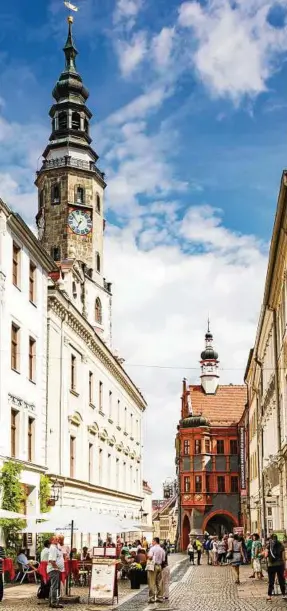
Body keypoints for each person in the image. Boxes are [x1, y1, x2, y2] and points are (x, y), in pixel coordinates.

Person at [266, 534, 287, 601]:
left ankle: (269, 596)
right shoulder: (281, 546)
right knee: (281, 580)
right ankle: (284, 594)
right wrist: (285, 567)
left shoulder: (268, 546)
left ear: (271, 538)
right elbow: (284, 558)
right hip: (280, 565)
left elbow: (266, 555)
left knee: (271, 581)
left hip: (271, 566)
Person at [47, 536, 64, 609]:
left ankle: (51, 602)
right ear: (51, 541)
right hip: (54, 570)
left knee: (53, 586)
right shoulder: (53, 548)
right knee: (54, 586)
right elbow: (51, 560)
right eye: (55, 539)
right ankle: (53, 603)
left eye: (58, 539)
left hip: (55, 569)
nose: (57, 540)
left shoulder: (56, 547)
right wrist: (56, 568)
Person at [147, 537, 165, 604]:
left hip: (153, 566)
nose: (152, 542)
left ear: (155, 541)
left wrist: (148, 556)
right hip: (159, 566)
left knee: (152, 582)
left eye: (152, 541)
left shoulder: (152, 548)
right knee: (159, 582)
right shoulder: (162, 550)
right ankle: (159, 597)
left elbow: (150, 557)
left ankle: (151, 598)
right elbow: (163, 560)